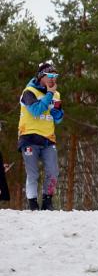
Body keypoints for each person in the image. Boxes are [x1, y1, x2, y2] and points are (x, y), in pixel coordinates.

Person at [18, 61, 64, 210]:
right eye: (49, 75)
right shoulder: (29, 92)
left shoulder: (56, 94)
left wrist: (58, 112)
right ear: (40, 76)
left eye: (55, 76)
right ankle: (32, 203)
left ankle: (47, 201)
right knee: (33, 174)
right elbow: (36, 111)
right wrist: (49, 94)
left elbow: (58, 119)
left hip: (48, 139)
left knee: (53, 171)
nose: (53, 79)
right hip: (29, 138)